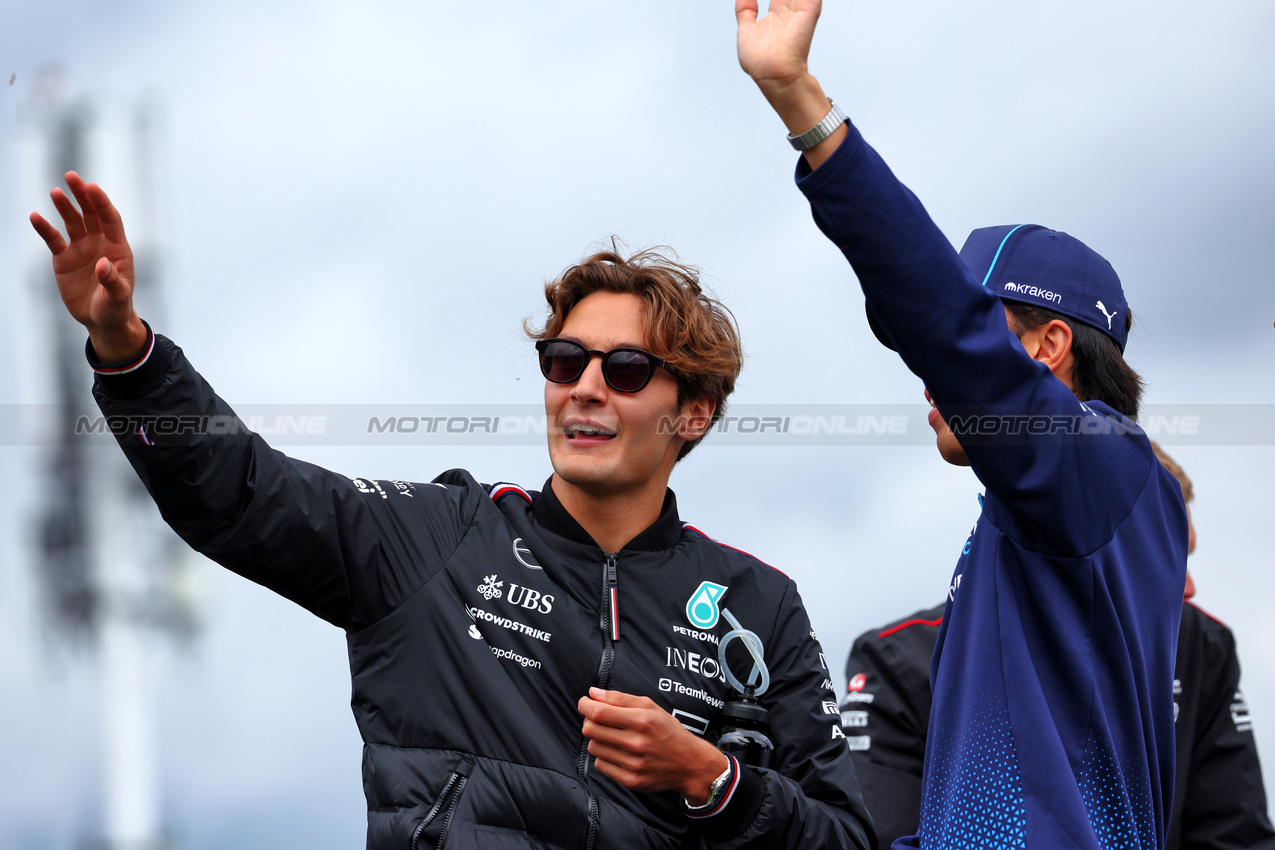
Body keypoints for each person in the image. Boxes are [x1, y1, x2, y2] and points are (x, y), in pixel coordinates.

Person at [29, 177, 874, 849]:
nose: (582, 386)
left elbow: (849, 838)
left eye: (622, 370)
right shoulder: (435, 538)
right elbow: (237, 490)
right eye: (562, 361)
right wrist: (128, 351)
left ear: (691, 413)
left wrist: (710, 780)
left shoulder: (757, 606)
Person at [736, 2, 1188, 848]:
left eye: (968, 345)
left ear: (1050, 346)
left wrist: (801, 102)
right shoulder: (1051, 513)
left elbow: (941, 322)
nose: (929, 376)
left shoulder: (1099, 466)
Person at [841, 444, 1275, 849]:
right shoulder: (898, 660)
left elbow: (1236, 836)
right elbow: (876, 835)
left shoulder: (1201, 645)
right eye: (1164, 559)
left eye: (1184, 558)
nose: (1190, 588)